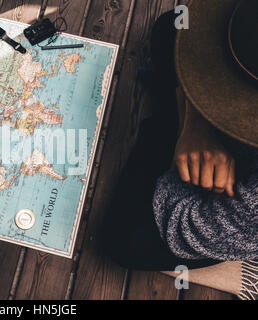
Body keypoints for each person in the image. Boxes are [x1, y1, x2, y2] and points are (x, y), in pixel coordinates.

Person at [102, 0, 257, 299]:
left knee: (125, 240)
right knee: (175, 25)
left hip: (241, 207)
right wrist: (196, 127)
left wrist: (182, 149)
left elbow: (187, 226)